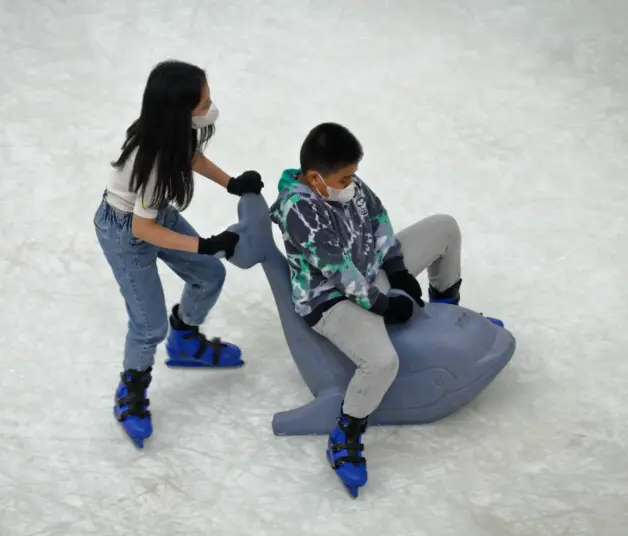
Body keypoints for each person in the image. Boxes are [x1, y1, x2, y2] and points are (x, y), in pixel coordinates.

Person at [269, 122, 502, 494]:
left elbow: (378, 219)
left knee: (444, 227)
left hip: (370, 269)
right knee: (380, 362)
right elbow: (338, 271)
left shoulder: (346, 185)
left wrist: (395, 267)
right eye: (345, 178)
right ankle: (346, 434)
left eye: (353, 175)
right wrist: (384, 305)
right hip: (331, 298)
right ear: (315, 178)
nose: (353, 184)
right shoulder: (300, 210)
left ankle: (442, 311)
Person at [94, 60, 264, 448]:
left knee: (210, 275)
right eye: (203, 103)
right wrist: (204, 244)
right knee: (148, 326)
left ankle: (184, 340)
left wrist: (231, 183)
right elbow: (143, 229)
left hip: (153, 214)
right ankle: (130, 393)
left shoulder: (174, 132)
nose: (210, 107)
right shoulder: (151, 160)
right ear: (179, 111)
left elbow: (191, 156)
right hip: (125, 232)